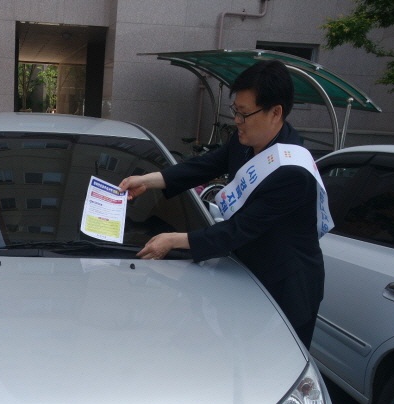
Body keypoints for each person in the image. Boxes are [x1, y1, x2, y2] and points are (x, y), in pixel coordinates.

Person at [119, 60, 327, 349]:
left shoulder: (291, 170)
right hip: (246, 271)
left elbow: (238, 230)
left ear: (275, 112)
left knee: (273, 361)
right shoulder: (245, 141)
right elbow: (204, 166)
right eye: (235, 111)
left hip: (287, 287)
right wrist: (148, 180)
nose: (237, 121)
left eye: (244, 113)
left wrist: (173, 240)